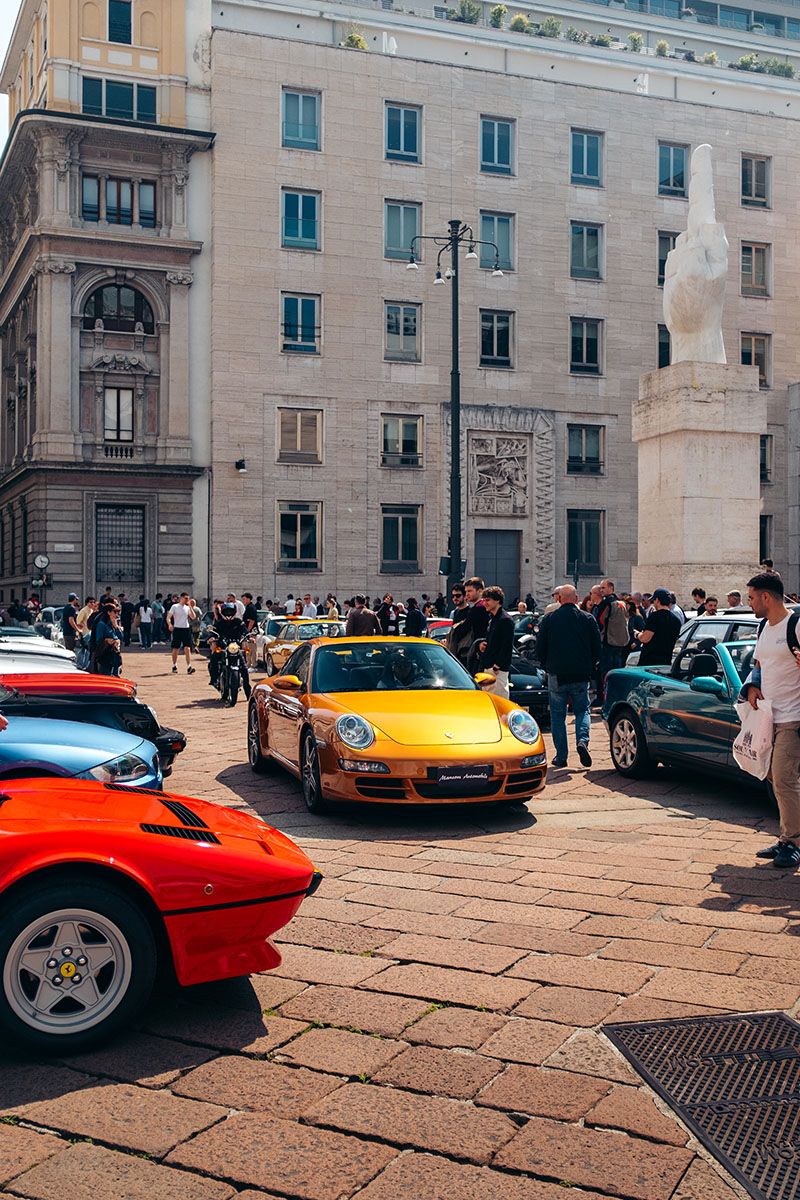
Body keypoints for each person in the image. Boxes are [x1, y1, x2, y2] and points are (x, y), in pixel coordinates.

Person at [743, 571, 800, 869]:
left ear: (766, 597)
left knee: (784, 778)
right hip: (769, 717)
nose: (749, 602)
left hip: (794, 717)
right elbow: (758, 663)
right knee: (772, 776)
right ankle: (785, 838)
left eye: (751, 597)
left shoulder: (797, 625)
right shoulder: (764, 626)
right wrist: (752, 685)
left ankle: (793, 842)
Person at [536, 584, 601, 769]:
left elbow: (540, 648)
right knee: (582, 710)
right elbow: (597, 646)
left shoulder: (549, 619)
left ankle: (561, 756)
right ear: (577, 598)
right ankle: (582, 740)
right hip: (581, 673)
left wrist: (545, 665)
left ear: (559, 599)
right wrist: (592, 663)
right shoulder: (588, 618)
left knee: (557, 716)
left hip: (557, 673)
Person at [596, 580, 630, 702]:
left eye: (603, 588)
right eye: (600, 588)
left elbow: (599, 620)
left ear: (611, 588)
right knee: (618, 671)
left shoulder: (606, 603)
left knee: (606, 673)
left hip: (608, 642)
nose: (601, 590)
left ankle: (606, 700)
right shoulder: (622, 603)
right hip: (621, 643)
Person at [478, 586, 514, 698]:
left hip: (497, 670)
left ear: (497, 600)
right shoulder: (492, 619)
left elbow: (507, 645)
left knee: (499, 702)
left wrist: (497, 665)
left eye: (487, 600)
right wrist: (482, 645)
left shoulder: (505, 620)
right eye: (484, 600)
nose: (485, 603)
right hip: (488, 666)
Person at [208, 602, 251, 696]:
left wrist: (248, 637)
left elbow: (245, 631)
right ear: (223, 612)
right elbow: (213, 632)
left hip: (236, 648)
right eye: (226, 611)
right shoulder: (219, 623)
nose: (228, 613)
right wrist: (211, 637)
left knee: (244, 668)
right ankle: (214, 679)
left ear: (234, 612)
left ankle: (247, 689)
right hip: (223, 647)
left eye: (230, 611)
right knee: (213, 660)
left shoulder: (238, 622)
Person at [634, 588, 682, 666]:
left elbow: (645, 638)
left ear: (657, 600)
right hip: (665, 663)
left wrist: (637, 634)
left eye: (653, 601)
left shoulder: (654, 617)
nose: (653, 603)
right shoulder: (676, 620)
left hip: (649, 662)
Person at [167, 592, 198, 674]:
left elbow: (193, 617)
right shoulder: (175, 606)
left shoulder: (187, 608)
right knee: (175, 648)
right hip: (177, 628)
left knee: (187, 648)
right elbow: (168, 617)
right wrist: (170, 624)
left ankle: (189, 666)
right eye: (186, 598)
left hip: (186, 629)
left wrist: (190, 606)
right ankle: (174, 665)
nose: (187, 600)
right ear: (181, 598)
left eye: (188, 598)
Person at [92, 600, 123, 676]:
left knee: (116, 676)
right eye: (114, 612)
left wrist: (116, 627)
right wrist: (108, 640)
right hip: (105, 656)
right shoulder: (101, 624)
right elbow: (98, 640)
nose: (116, 614)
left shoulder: (113, 623)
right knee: (106, 676)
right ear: (108, 612)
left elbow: (121, 637)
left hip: (114, 655)